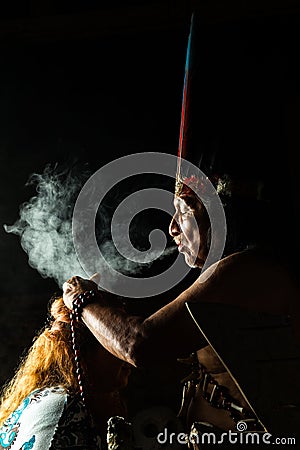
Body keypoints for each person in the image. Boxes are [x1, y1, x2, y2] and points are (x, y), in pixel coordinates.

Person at [62, 14, 300, 445]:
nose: (171, 228)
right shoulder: (235, 274)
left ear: (221, 211)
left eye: (183, 209)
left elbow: (139, 345)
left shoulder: (246, 271)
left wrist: (82, 299)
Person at [0, 296, 131, 449]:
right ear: (83, 349)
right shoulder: (65, 407)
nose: (127, 358)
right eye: (116, 345)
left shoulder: (52, 399)